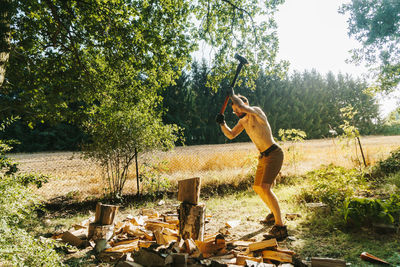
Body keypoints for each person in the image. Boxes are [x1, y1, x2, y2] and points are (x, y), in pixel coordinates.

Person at [215, 91, 287, 241]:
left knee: (265, 187)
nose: (235, 112)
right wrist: (222, 123)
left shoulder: (256, 112)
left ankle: (280, 227)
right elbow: (231, 135)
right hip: (263, 157)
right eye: (233, 111)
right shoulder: (243, 121)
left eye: (237, 109)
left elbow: (241, 104)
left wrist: (232, 94)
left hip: (274, 153)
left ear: (245, 105)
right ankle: (273, 214)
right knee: (258, 188)